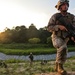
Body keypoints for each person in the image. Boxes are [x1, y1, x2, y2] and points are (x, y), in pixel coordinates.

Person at [47, 0, 75, 74]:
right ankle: (60, 66)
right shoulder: (55, 16)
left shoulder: (72, 17)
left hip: (66, 38)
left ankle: (58, 65)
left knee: (64, 50)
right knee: (63, 47)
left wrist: (72, 36)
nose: (65, 6)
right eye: (63, 4)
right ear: (59, 7)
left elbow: (73, 28)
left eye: (66, 4)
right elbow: (49, 27)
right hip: (56, 36)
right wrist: (58, 26)